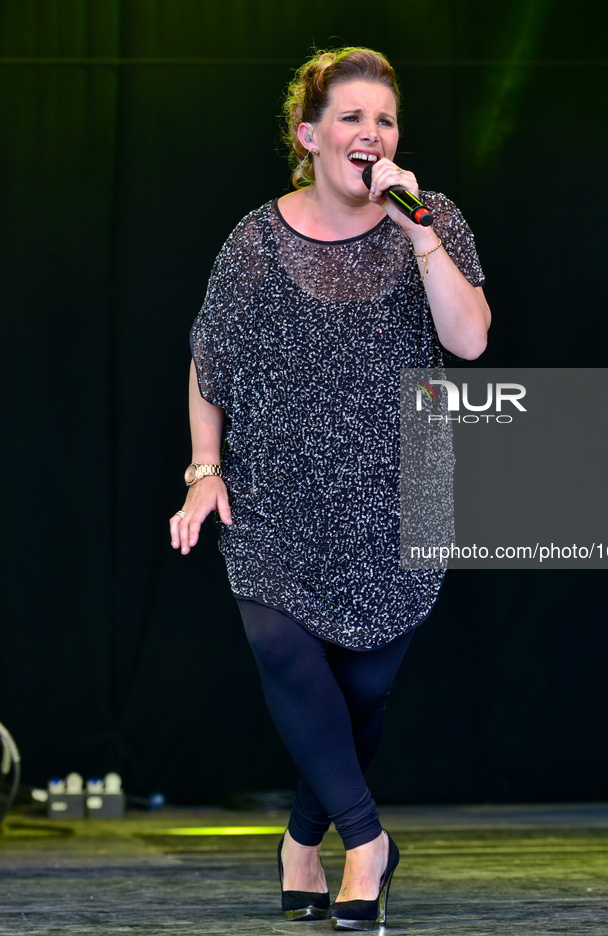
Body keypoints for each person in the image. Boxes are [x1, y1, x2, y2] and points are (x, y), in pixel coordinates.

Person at [169, 47, 490, 930]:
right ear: (309, 135)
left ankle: (302, 841)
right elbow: (210, 363)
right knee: (282, 652)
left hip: (398, 501)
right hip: (275, 501)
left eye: (384, 120)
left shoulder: (432, 220)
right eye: (351, 118)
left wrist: (418, 226)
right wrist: (205, 470)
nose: (370, 133)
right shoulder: (255, 239)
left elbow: (468, 343)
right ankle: (367, 840)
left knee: (360, 698)